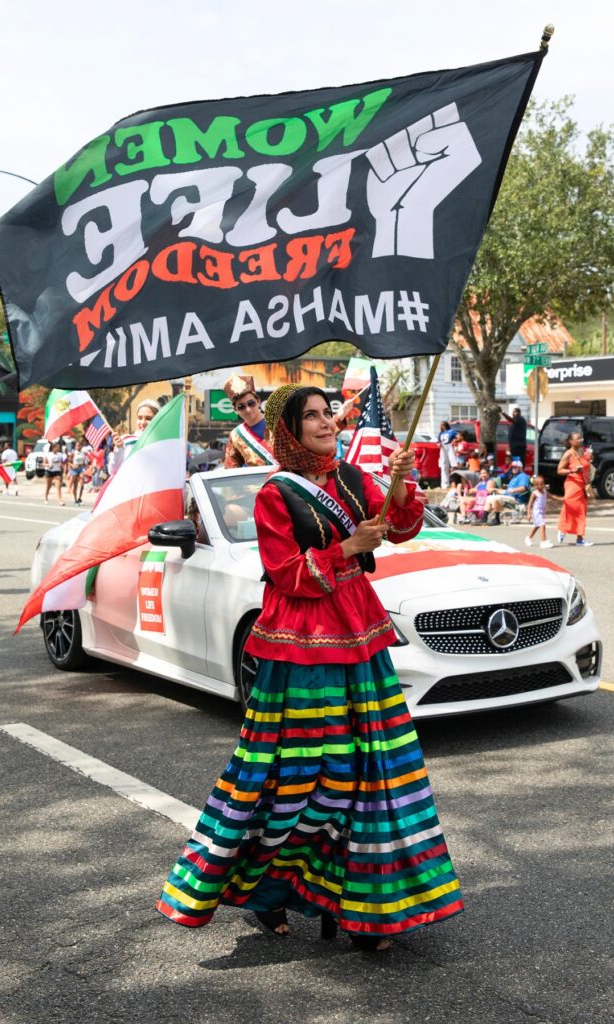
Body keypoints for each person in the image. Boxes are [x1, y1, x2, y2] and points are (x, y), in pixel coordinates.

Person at [157, 384, 463, 950]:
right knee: (300, 776)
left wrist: (401, 484)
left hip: (359, 632)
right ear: (290, 430)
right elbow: (285, 572)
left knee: (374, 772)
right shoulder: (274, 492)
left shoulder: (350, 477)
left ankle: (367, 909)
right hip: (302, 641)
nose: (327, 423)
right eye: (313, 417)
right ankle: (266, 892)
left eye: (329, 413)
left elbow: (398, 527)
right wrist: (347, 548)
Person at [223, 375, 275, 468]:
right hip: (255, 482)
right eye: (241, 407)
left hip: (281, 480)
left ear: (258, 401)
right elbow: (231, 469)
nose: (248, 409)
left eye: (251, 403)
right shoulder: (236, 435)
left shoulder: (278, 424)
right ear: (235, 410)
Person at [556, 432, 593, 546]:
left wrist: (589, 458)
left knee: (582, 511)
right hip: (572, 484)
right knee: (569, 507)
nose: (580, 440)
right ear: (571, 441)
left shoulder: (581, 451)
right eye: (578, 439)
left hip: (583, 484)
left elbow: (586, 466)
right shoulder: (568, 454)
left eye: (581, 438)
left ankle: (580, 539)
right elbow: (559, 470)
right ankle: (562, 529)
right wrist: (572, 470)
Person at [109, 399, 160, 475]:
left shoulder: (162, 443)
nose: (142, 423)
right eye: (140, 418)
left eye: (148, 418)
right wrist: (118, 449)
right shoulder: (126, 441)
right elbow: (113, 471)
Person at [525, 476, 553, 548]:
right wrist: (528, 513)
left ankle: (528, 538)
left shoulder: (545, 491)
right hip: (536, 512)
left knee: (537, 526)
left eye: (543, 483)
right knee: (542, 524)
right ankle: (543, 542)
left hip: (541, 511)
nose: (542, 485)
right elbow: (529, 504)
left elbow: (552, 496)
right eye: (540, 484)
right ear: (536, 485)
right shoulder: (535, 493)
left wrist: (562, 499)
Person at [437, 420, 457, 489]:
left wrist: (454, 441)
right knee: (444, 466)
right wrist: (439, 444)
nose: (441, 426)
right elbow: (438, 441)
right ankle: (445, 484)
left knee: (453, 465)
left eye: (442, 425)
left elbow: (458, 436)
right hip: (443, 447)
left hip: (450, 446)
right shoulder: (440, 433)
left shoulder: (451, 431)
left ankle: (454, 483)